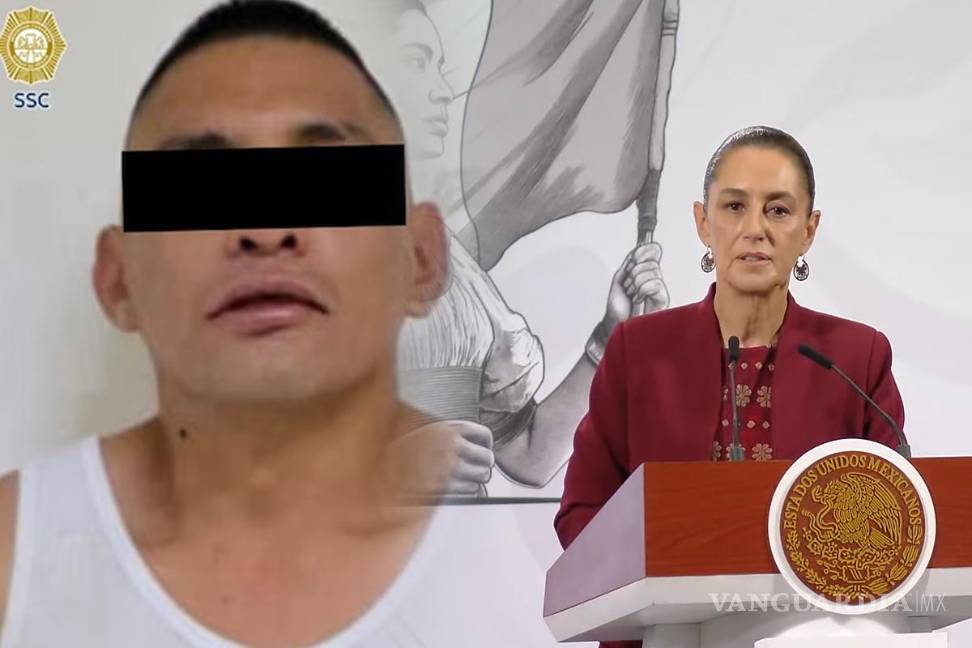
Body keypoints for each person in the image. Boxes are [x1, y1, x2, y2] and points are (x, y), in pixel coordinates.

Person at [0, 1, 478, 645]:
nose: (265, 230)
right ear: (118, 279)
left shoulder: (549, 570)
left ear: (422, 258)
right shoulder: (12, 562)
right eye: (202, 188)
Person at [555, 125, 906, 647]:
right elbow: (583, 513)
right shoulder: (638, 351)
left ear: (809, 230)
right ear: (703, 222)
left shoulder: (856, 357)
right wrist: (659, 579)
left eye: (778, 210)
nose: (755, 229)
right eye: (735, 207)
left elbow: (897, 516)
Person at [326, 0, 672, 494]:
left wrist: (612, 332)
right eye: (416, 62)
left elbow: (531, 455)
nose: (443, 91)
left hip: (466, 537)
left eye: (440, 68)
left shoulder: (449, 262)